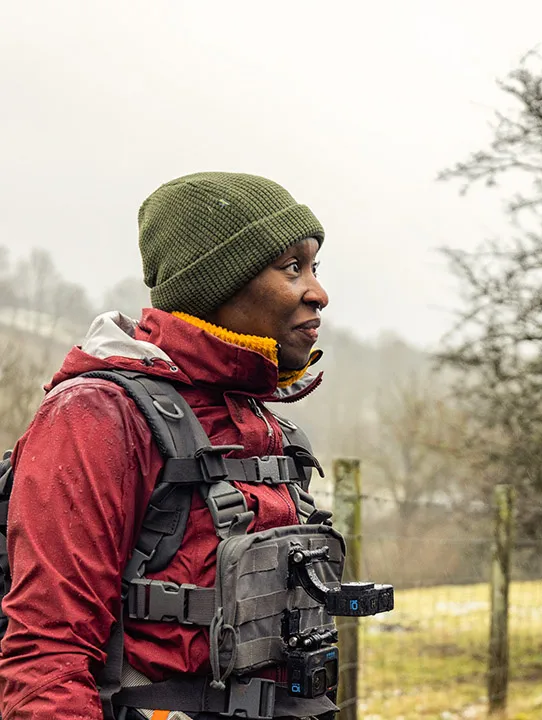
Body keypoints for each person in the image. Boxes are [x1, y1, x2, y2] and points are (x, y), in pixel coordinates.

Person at [0, 171, 337, 719]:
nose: (318, 293)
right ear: (218, 282)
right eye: (292, 267)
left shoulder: (260, 420)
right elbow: (46, 655)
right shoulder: (97, 414)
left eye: (315, 267)